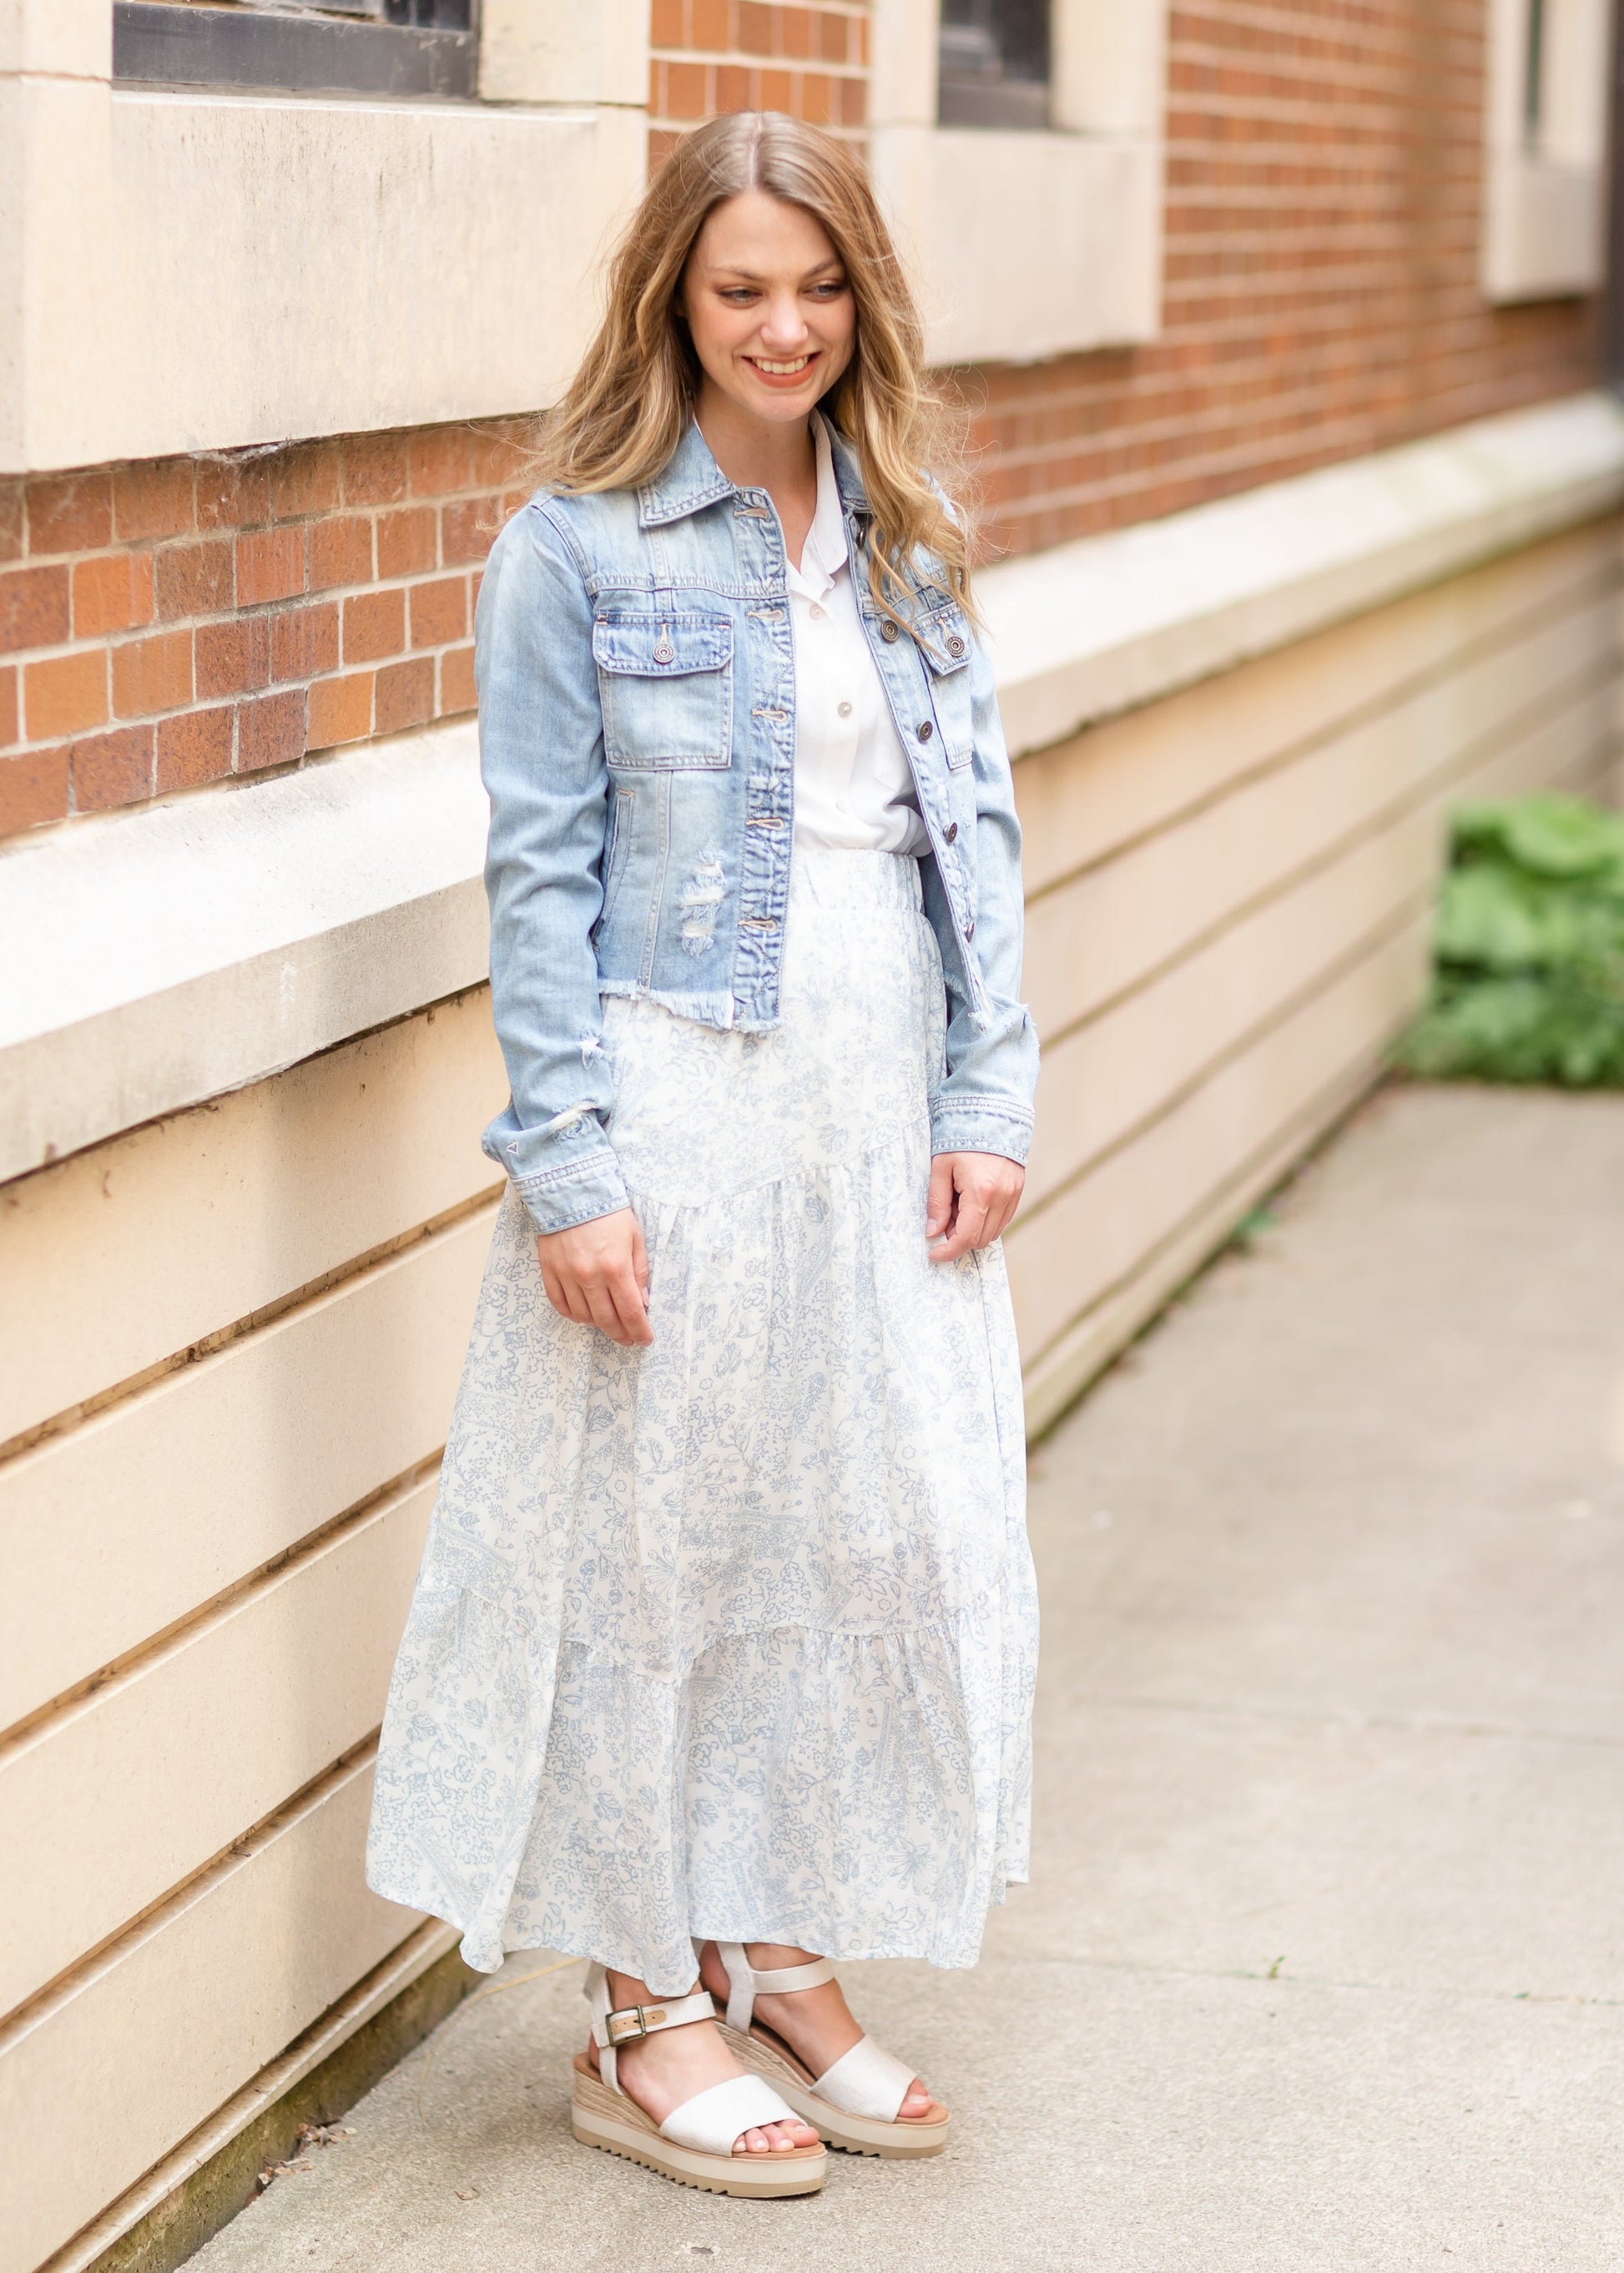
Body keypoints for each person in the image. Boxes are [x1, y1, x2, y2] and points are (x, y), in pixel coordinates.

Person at [366, 109, 1039, 2200]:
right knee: (644, 1549)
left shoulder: (909, 534)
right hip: (678, 1081)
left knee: (858, 1520)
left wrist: (986, 1095)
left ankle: (773, 1930)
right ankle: (640, 1997)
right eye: (742, 287)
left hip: (877, 1087)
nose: (786, 325)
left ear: (866, 301)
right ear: (675, 295)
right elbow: (539, 874)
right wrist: (567, 1168)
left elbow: (975, 842)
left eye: (821, 286)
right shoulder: (574, 546)